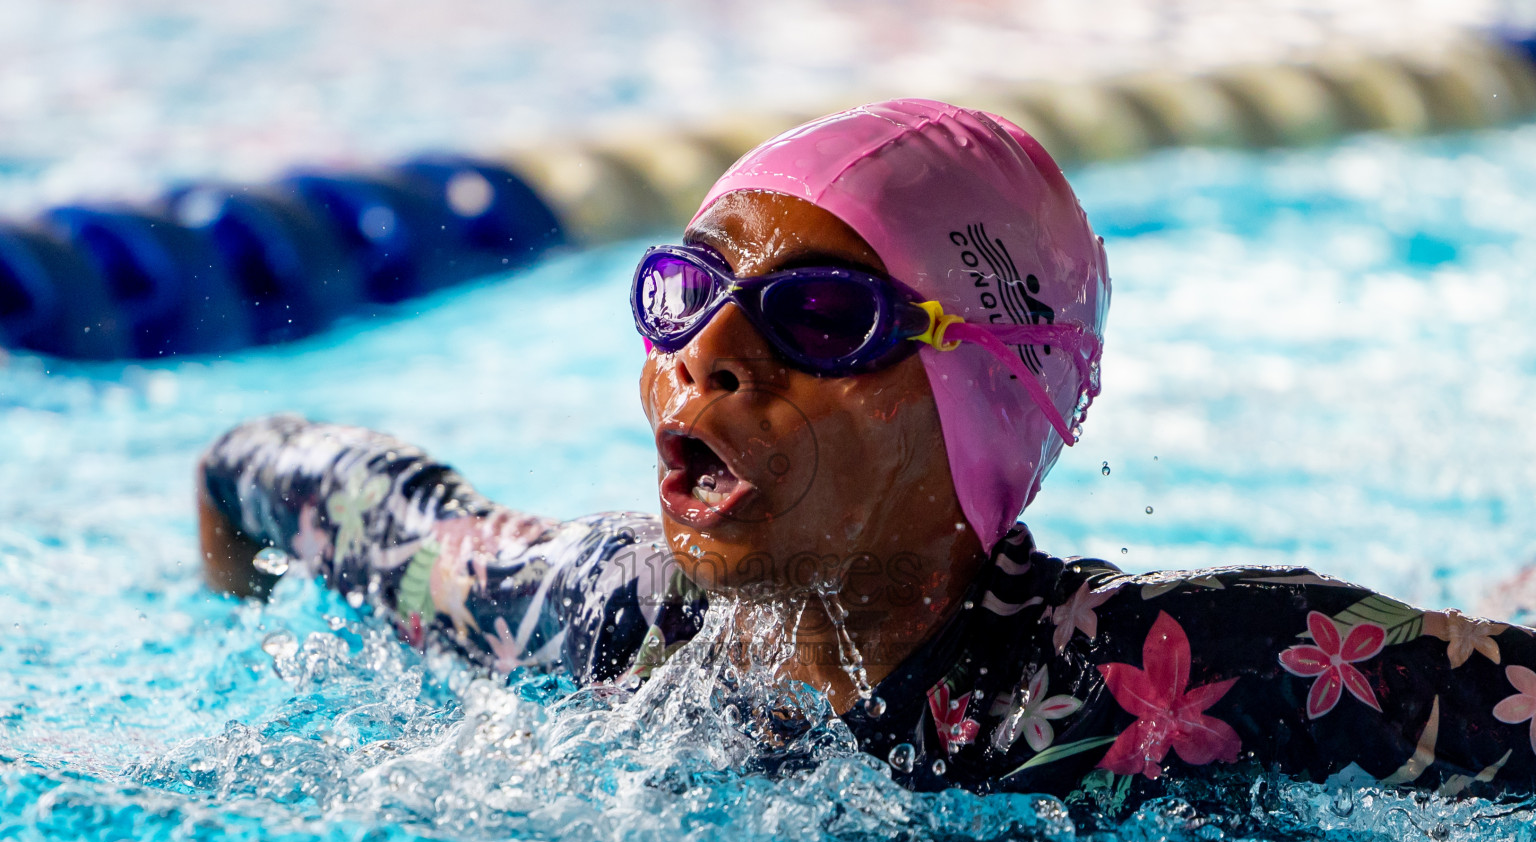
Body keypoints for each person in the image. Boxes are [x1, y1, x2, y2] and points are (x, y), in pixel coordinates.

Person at [198, 98, 1536, 800]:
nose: (709, 353)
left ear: (983, 402)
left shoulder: (1194, 680)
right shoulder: (599, 619)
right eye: (689, 289)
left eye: (822, 318)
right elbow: (266, 473)